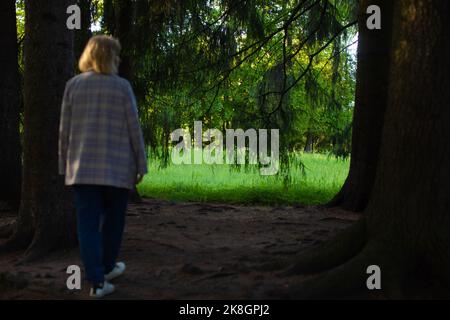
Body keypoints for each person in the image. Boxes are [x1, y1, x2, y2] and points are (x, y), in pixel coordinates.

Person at [58, 35, 148, 298]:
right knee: (114, 223)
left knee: (86, 226)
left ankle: (99, 278)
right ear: (110, 57)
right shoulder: (122, 87)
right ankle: (105, 269)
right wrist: (141, 165)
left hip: (83, 170)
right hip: (117, 170)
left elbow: (64, 132)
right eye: (116, 55)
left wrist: (64, 165)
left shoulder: (73, 85)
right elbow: (134, 129)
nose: (118, 59)